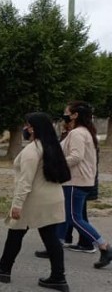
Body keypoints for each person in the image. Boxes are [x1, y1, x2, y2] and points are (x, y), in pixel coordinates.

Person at [0, 112, 72, 292]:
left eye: (28, 125)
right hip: (52, 197)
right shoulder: (51, 146)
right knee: (50, 238)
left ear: (34, 128)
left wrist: (17, 205)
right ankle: (58, 277)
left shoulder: (32, 150)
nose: (26, 128)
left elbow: (25, 181)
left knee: (16, 231)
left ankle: (4, 269)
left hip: (34, 199)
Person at [55, 101, 112, 269]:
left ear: (75, 115)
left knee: (74, 217)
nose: (64, 114)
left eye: (67, 112)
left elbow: (76, 156)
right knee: (68, 215)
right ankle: (56, 245)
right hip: (79, 180)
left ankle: (104, 246)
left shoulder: (78, 133)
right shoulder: (84, 132)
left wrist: (56, 164)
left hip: (76, 180)